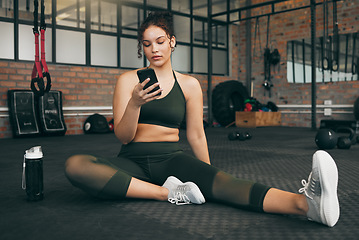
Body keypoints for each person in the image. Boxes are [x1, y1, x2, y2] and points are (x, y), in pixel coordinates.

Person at [65, 11, 340, 227]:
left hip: (170, 159)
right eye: (147, 44)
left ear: (172, 41)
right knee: (76, 165)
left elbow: (196, 134)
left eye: (160, 41)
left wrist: (207, 177)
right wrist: (135, 103)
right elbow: (124, 136)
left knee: (227, 183)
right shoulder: (128, 81)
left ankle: (306, 205)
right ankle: (167, 192)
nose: (154, 49)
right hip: (130, 161)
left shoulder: (189, 85)